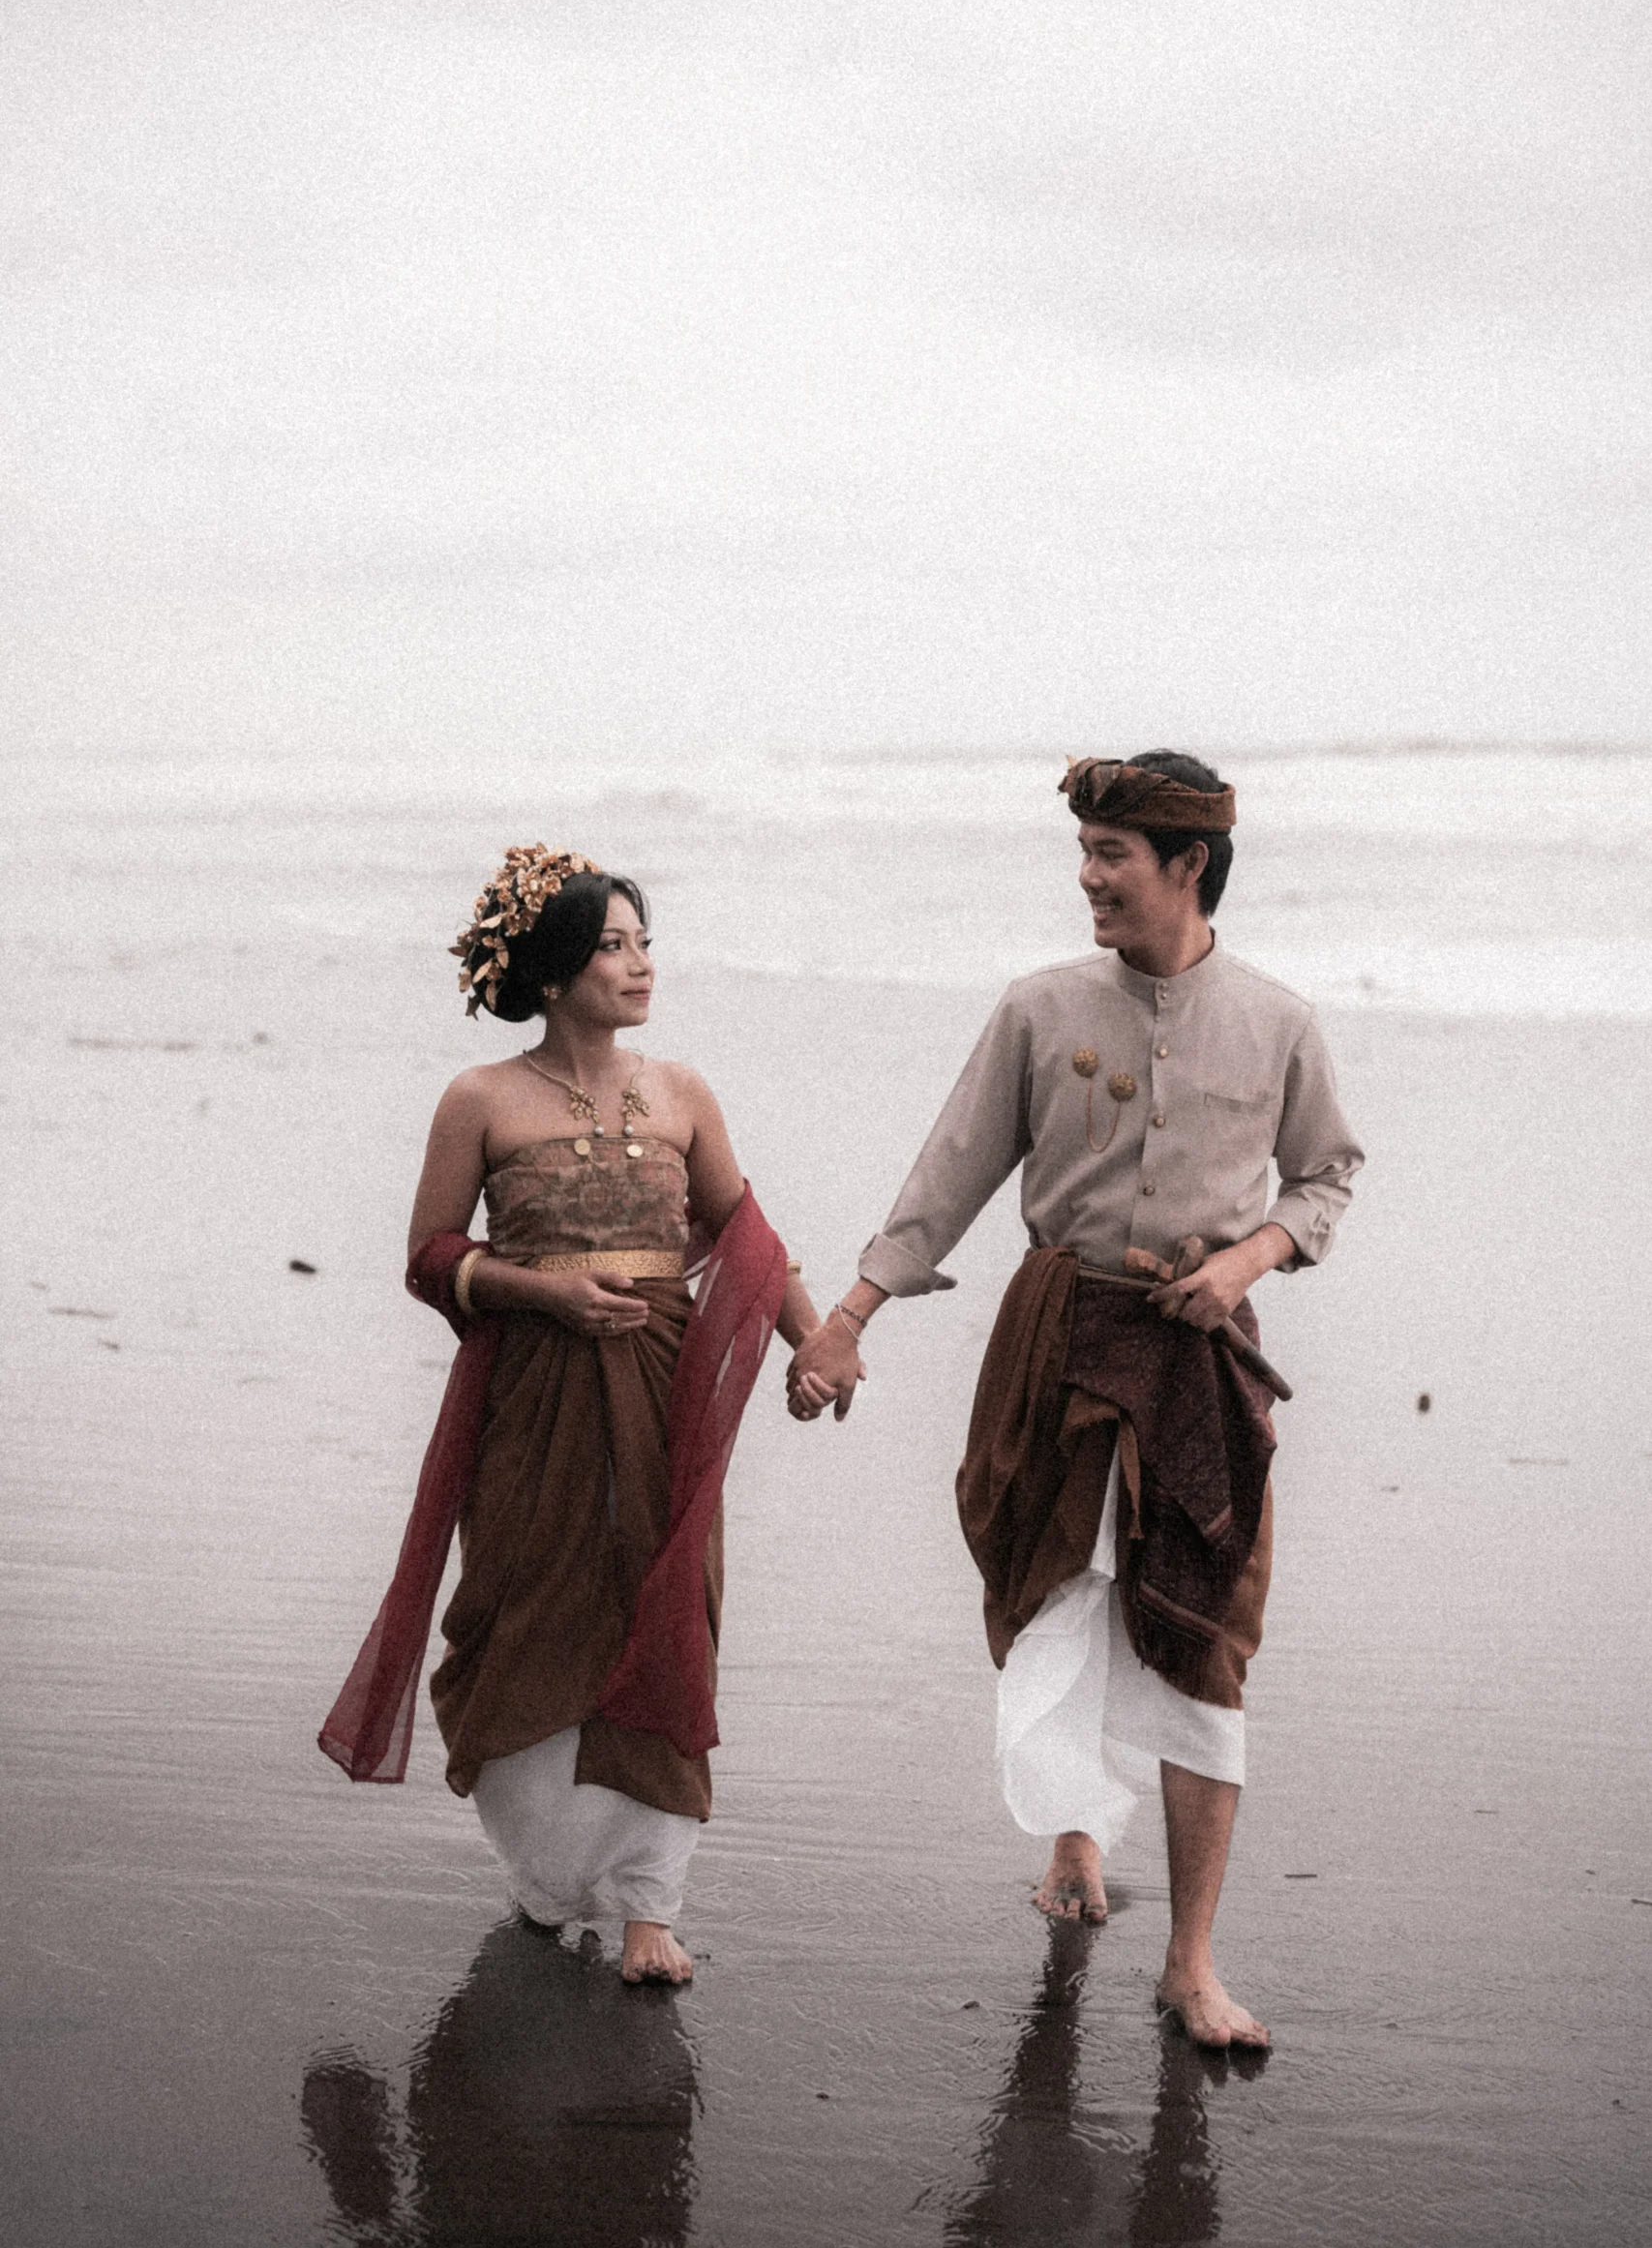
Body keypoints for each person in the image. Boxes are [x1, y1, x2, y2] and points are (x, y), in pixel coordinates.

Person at [786, 754, 1363, 2048]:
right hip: (1057, 1341)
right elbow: (948, 1176)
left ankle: (1190, 1965)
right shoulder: (1038, 1008)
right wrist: (847, 1318)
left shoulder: (1278, 1022)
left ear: (1187, 864)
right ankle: (1071, 1837)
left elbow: (1325, 1175)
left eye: (1113, 855)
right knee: (1048, 1589)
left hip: (1199, 1364)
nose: (1088, 878)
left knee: (1206, 1630)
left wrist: (1249, 1258)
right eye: (1084, 852)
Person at [326, 846, 824, 1986]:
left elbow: (745, 1233)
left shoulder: (683, 1092)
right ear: (552, 973)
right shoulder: (480, 1098)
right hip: (530, 1391)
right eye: (612, 945)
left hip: (660, 1384)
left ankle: (651, 1898)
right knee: (522, 1605)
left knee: (667, 1601)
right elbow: (430, 1257)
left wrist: (816, 1342)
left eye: (646, 942)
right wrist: (541, 1290)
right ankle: (546, 1869)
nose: (641, 964)